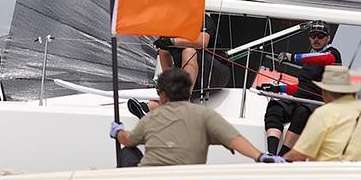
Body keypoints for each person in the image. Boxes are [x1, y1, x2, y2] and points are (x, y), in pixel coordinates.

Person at [110, 67, 281, 167]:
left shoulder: (151, 117)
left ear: (162, 95)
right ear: (188, 90)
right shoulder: (204, 115)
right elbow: (234, 139)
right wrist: (260, 156)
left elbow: (128, 140)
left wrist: (117, 132)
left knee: (127, 152)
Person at [258, 20, 341, 156]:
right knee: (275, 107)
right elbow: (302, 88)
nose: (316, 39)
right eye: (313, 35)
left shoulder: (332, 54)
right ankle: (271, 153)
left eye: (320, 36)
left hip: (318, 104)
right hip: (299, 99)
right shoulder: (310, 57)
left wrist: (292, 57)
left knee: (301, 112)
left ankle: (283, 157)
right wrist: (279, 89)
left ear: (328, 38)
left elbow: (323, 59)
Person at [129, 13, 231, 118]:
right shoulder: (170, 24)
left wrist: (172, 41)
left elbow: (202, 41)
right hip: (191, 77)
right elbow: (164, 52)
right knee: (164, 53)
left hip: (216, 74)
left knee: (189, 51)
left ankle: (183, 100)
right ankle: (148, 108)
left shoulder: (201, 18)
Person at [283, 65, 361, 162]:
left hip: (331, 174)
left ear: (324, 93)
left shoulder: (323, 113)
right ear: (353, 92)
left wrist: (279, 160)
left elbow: (299, 155)